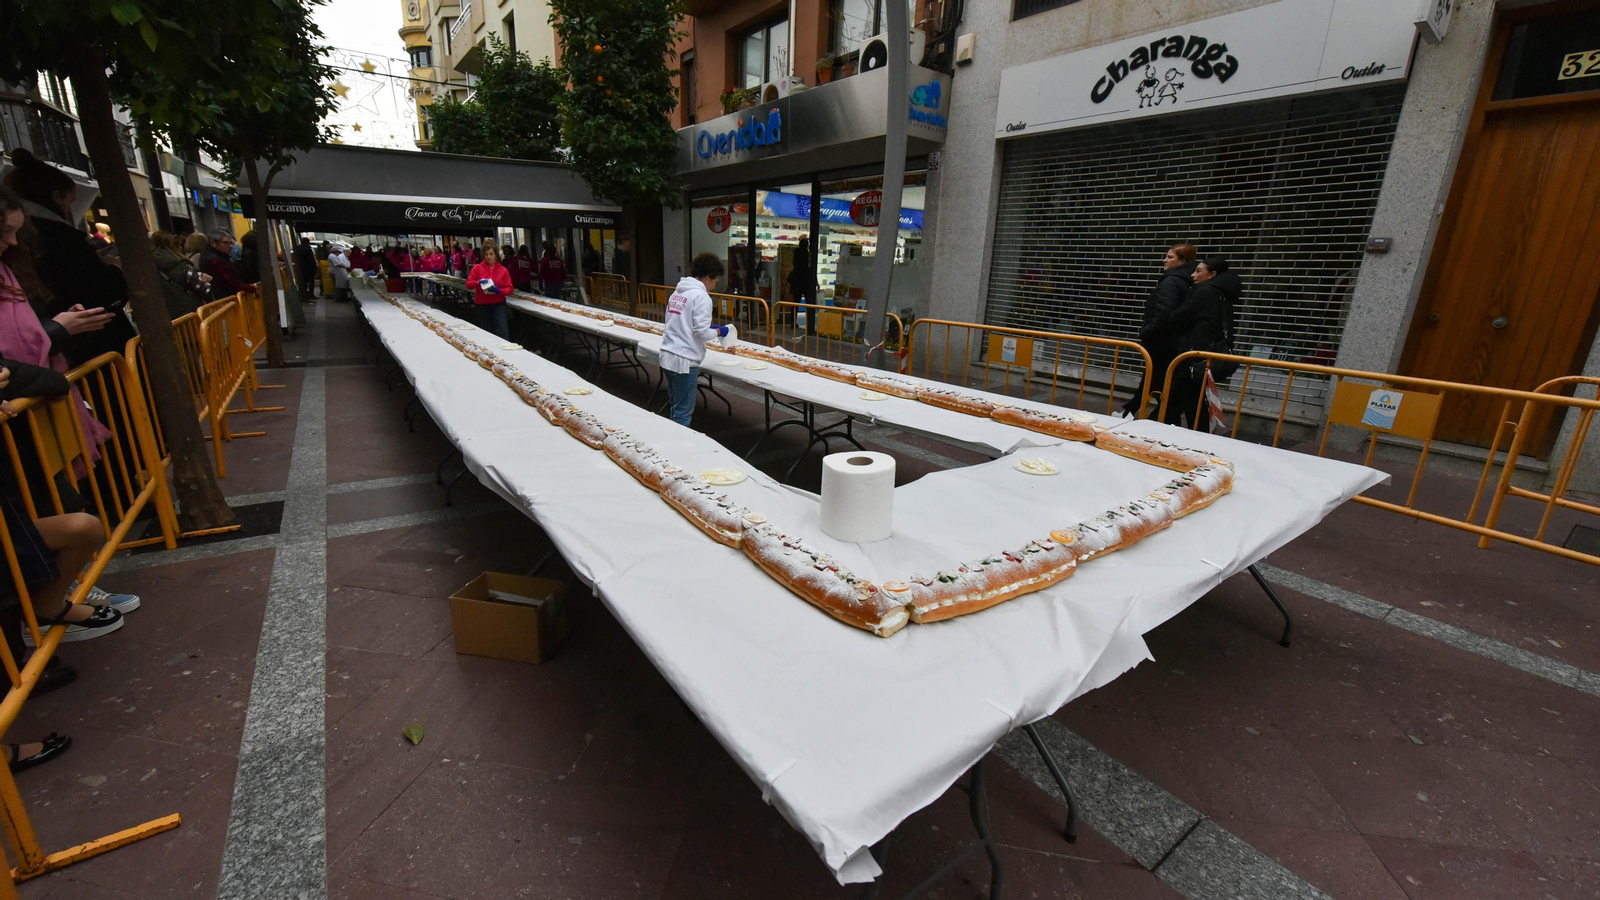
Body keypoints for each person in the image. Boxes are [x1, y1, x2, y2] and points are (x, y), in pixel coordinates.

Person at [3, 150, 137, 367]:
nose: (12, 242)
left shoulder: (31, 247)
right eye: (6, 231)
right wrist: (57, 329)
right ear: (55, 196)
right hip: (82, 353)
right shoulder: (56, 239)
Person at [1159, 256, 1241, 431]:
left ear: (1212, 274)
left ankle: (1194, 439)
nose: (1193, 275)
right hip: (1199, 356)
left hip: (1193, 357)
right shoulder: (1221, 293)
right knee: (1180, 402)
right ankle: (1164, 431)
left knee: (1189, 404)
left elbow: (1178, 316)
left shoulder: (1205, 292)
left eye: (1199, 271)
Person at [1123, 241, 1198, 418]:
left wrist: (1147, 331)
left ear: (1182, 260)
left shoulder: (1171, 282)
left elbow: (1164, 312)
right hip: (1171, 342)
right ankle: (1130, 412)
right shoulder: (1187, 282)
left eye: (1170, 257)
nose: (1165, 260)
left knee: (1157, 382)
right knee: (1155, 382)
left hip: (1161, 343)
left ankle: (1137, 415)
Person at [660, 253, 730, 428]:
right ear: (707, 277)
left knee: (676, 407)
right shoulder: (701, 297)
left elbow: (679, 322)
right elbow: (701, 333)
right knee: (683, 413)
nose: (715, 286)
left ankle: (672, 443)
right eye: (715, 281)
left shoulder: (678, 292)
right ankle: (680, 451)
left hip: (668, 355)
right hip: (684, 360)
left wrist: (709, 329)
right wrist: (720, 331)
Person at [151, 231, 208, 317]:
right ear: (173, 245)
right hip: (190, 311)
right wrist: (205, 282)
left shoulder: (148, 266)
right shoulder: (182, 265)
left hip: (166, 314)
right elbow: (201, 288)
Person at [468, 239, 512, 338]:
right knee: (486, 332)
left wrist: (499, 291)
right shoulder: (477, 268)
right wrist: (478, 282)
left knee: (502, 331)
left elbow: (510, 289)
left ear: (496, 254)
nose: (488, 257)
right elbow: (468, 284)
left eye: (491, 254)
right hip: (482, 305)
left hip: (498, 304)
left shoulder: (503, 270)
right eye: (486, 254)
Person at [198, 230, 251, 299]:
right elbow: (231, 282)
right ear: (214, 243)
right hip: (223, 297)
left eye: (231, 243)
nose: (230, 246)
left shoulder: (218, 256)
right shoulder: (214, 260)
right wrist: (250, 288)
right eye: (226, 243)